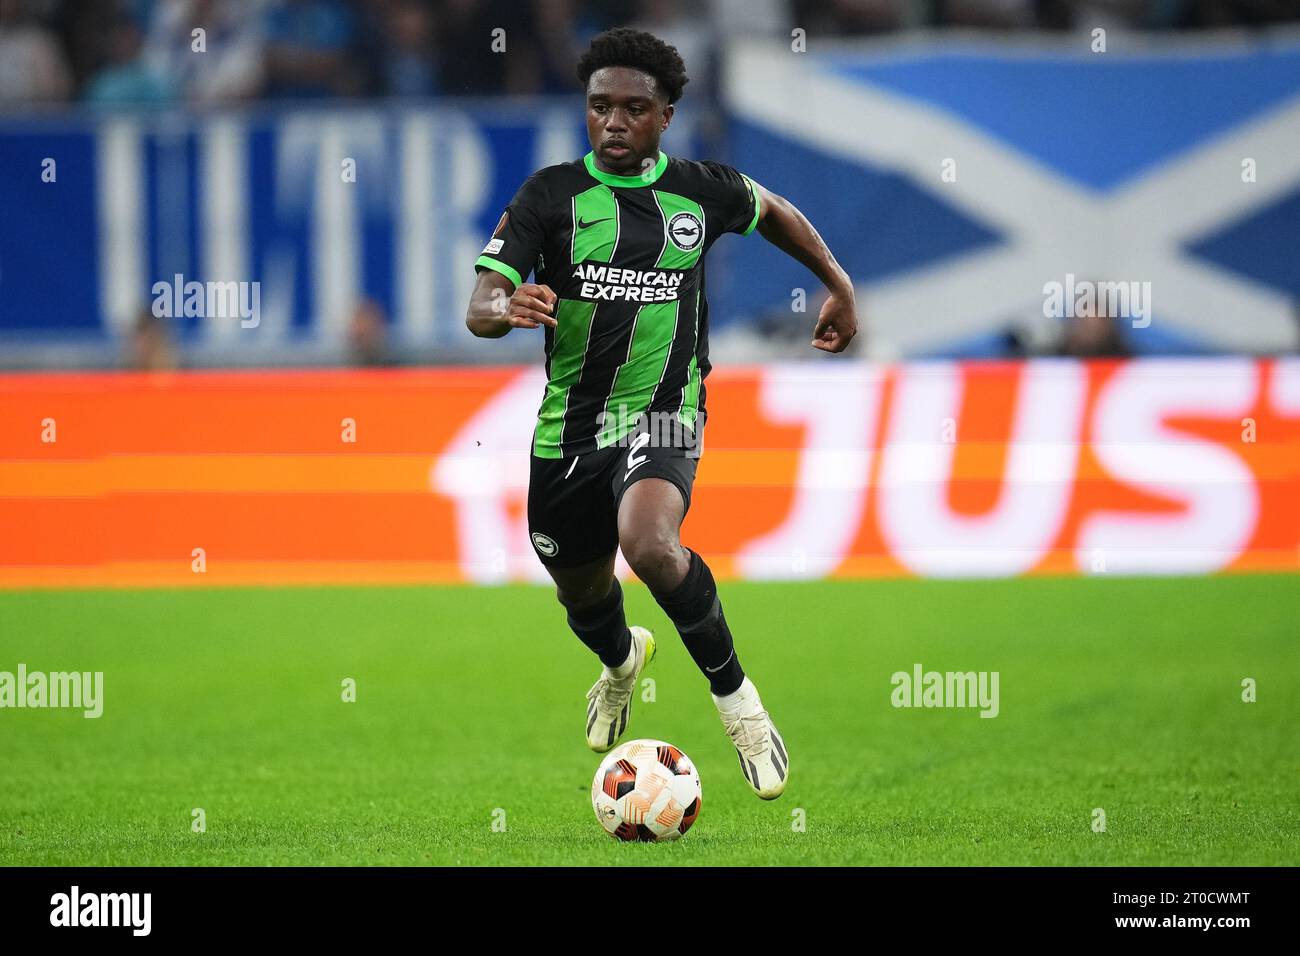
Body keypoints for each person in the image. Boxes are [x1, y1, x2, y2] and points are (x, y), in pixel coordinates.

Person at [464, 27, 856, 799]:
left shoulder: (701, 190)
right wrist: (504, 304)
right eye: (599, 106)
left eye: (633, 108)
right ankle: (619, 663)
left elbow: (774, 211)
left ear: (666, 115)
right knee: (580, 591)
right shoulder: (549, 196)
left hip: (668, 408)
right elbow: (480, 302)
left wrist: (838, 283)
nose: (613, 121)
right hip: (570, 426)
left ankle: (738, 701)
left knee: (648, 544)